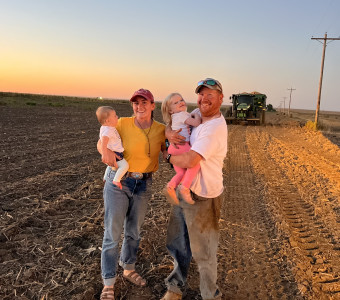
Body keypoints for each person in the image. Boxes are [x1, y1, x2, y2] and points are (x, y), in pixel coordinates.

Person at [161, 78, 228, 300]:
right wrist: (169, 132)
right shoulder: (198, 119)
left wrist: (169, 156)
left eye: (211, 94)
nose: (204, 98)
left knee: (204, 252)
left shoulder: (214, 127)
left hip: (203, 196)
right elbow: (176, 124)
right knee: (178, 242)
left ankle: (211, 295)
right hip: (185, 190)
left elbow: (189, 160)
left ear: (221, 98)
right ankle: (175, 287)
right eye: (201, 94)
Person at [98, 89, 166, 300]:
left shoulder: (161, 129)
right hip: (119, 182)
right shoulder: (122, 123)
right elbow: (102, 139)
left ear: (153, 105)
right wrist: (105, 152)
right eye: (136, 103)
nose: (139, 106)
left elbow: (168, 150)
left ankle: (128, 268)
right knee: (112, 234)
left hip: (144, 184)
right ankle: (108, 282)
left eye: (144, 102)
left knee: (134, 231)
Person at [161, 93, 201, 205]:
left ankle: (171, 186)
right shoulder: (182, 115)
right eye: (176, 102)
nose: (180, 102)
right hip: (182, 146)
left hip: (174, 148)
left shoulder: (175, 117)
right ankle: (185, 188)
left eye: (181, 100)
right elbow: (197, 123)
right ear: (170, 111)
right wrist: (195, 116)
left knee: (181, 173)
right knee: (195, 164)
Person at [96, 106, 129, 189]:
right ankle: (116, 180)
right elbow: (103, 142)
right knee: (124, 166)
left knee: (110, 166)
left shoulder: (104, 128)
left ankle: (105, 177)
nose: (117, 117)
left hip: (112, 151)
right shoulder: (108, 130)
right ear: (107, 121)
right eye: (114, 116)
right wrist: (105, 154)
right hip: (116, 152)